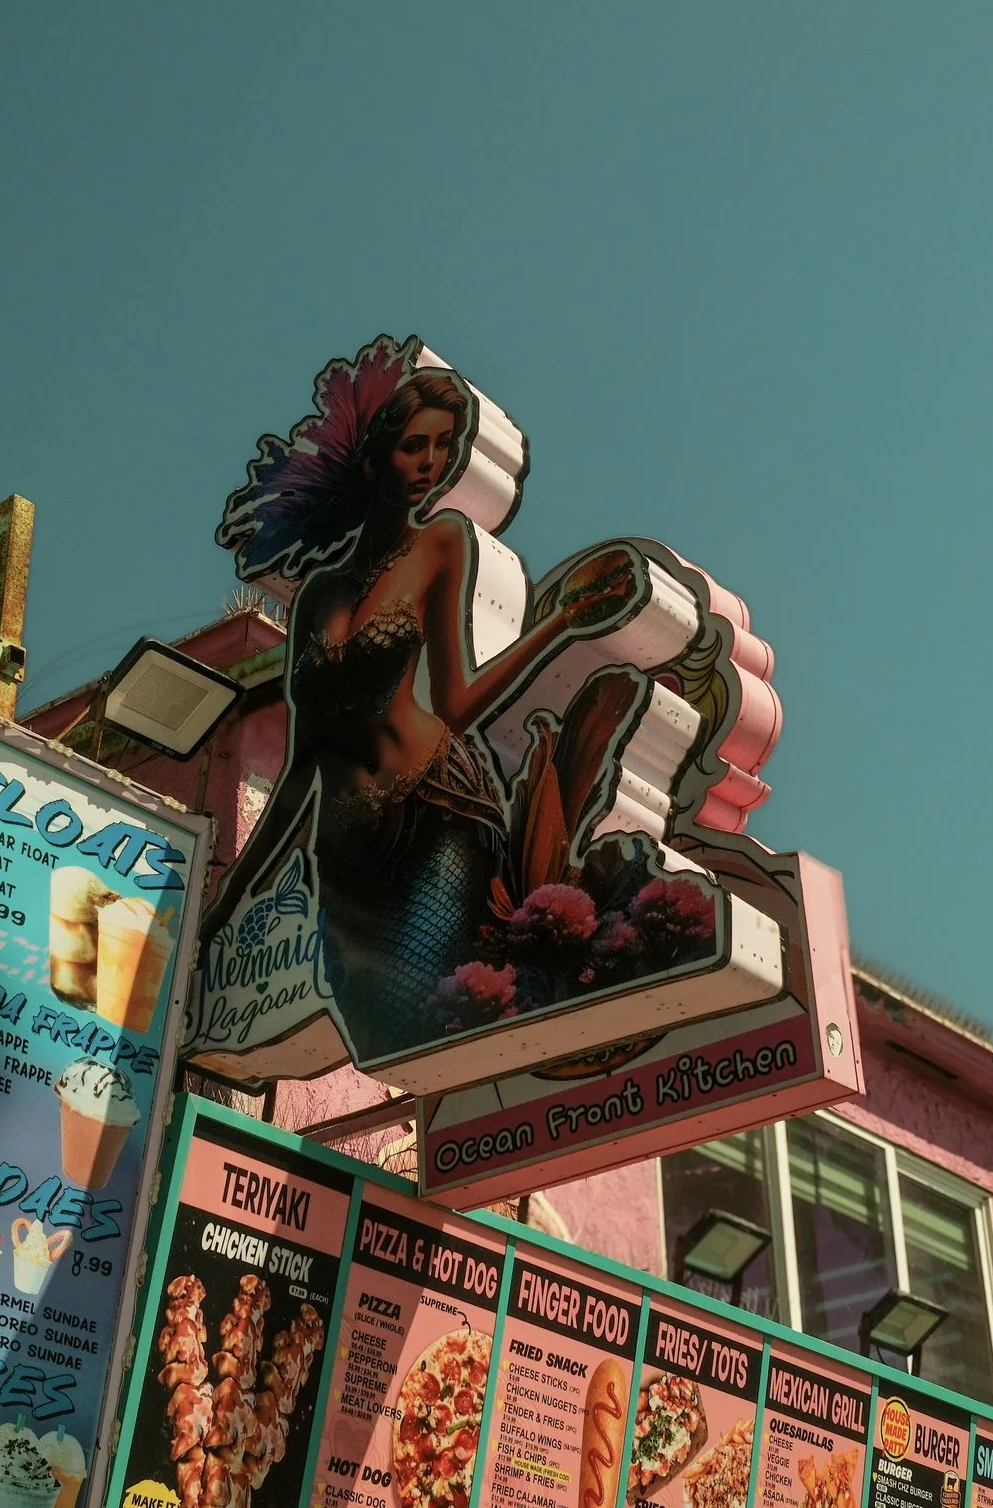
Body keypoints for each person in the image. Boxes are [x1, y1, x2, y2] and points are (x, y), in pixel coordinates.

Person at [211, 336, 666, 1060]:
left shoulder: (443, 545)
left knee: (430, 1027)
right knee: (373, 1036)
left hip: (437, 818)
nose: (430, 464)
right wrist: (227, 903)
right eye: (414, 446)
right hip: (342, 860)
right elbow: (305, 762)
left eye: (443, 448)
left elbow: (456, 701)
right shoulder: (320, 596)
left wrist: (558, 624)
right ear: (371, 459)